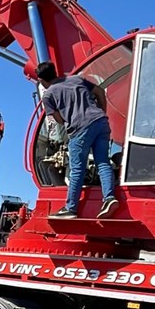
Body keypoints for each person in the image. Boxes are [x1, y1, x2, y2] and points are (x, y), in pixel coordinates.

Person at [37, 61, 119, 220]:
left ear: (41, 80)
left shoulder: (48, 95)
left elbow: (58, 120)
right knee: (103, 162)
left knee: (77, 169)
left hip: (79, 129)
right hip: (101, 122)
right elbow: (99, 91)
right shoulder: (76, 79)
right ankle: (109, 198)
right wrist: (101, 113)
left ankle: (71, 208)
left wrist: (70, 119)